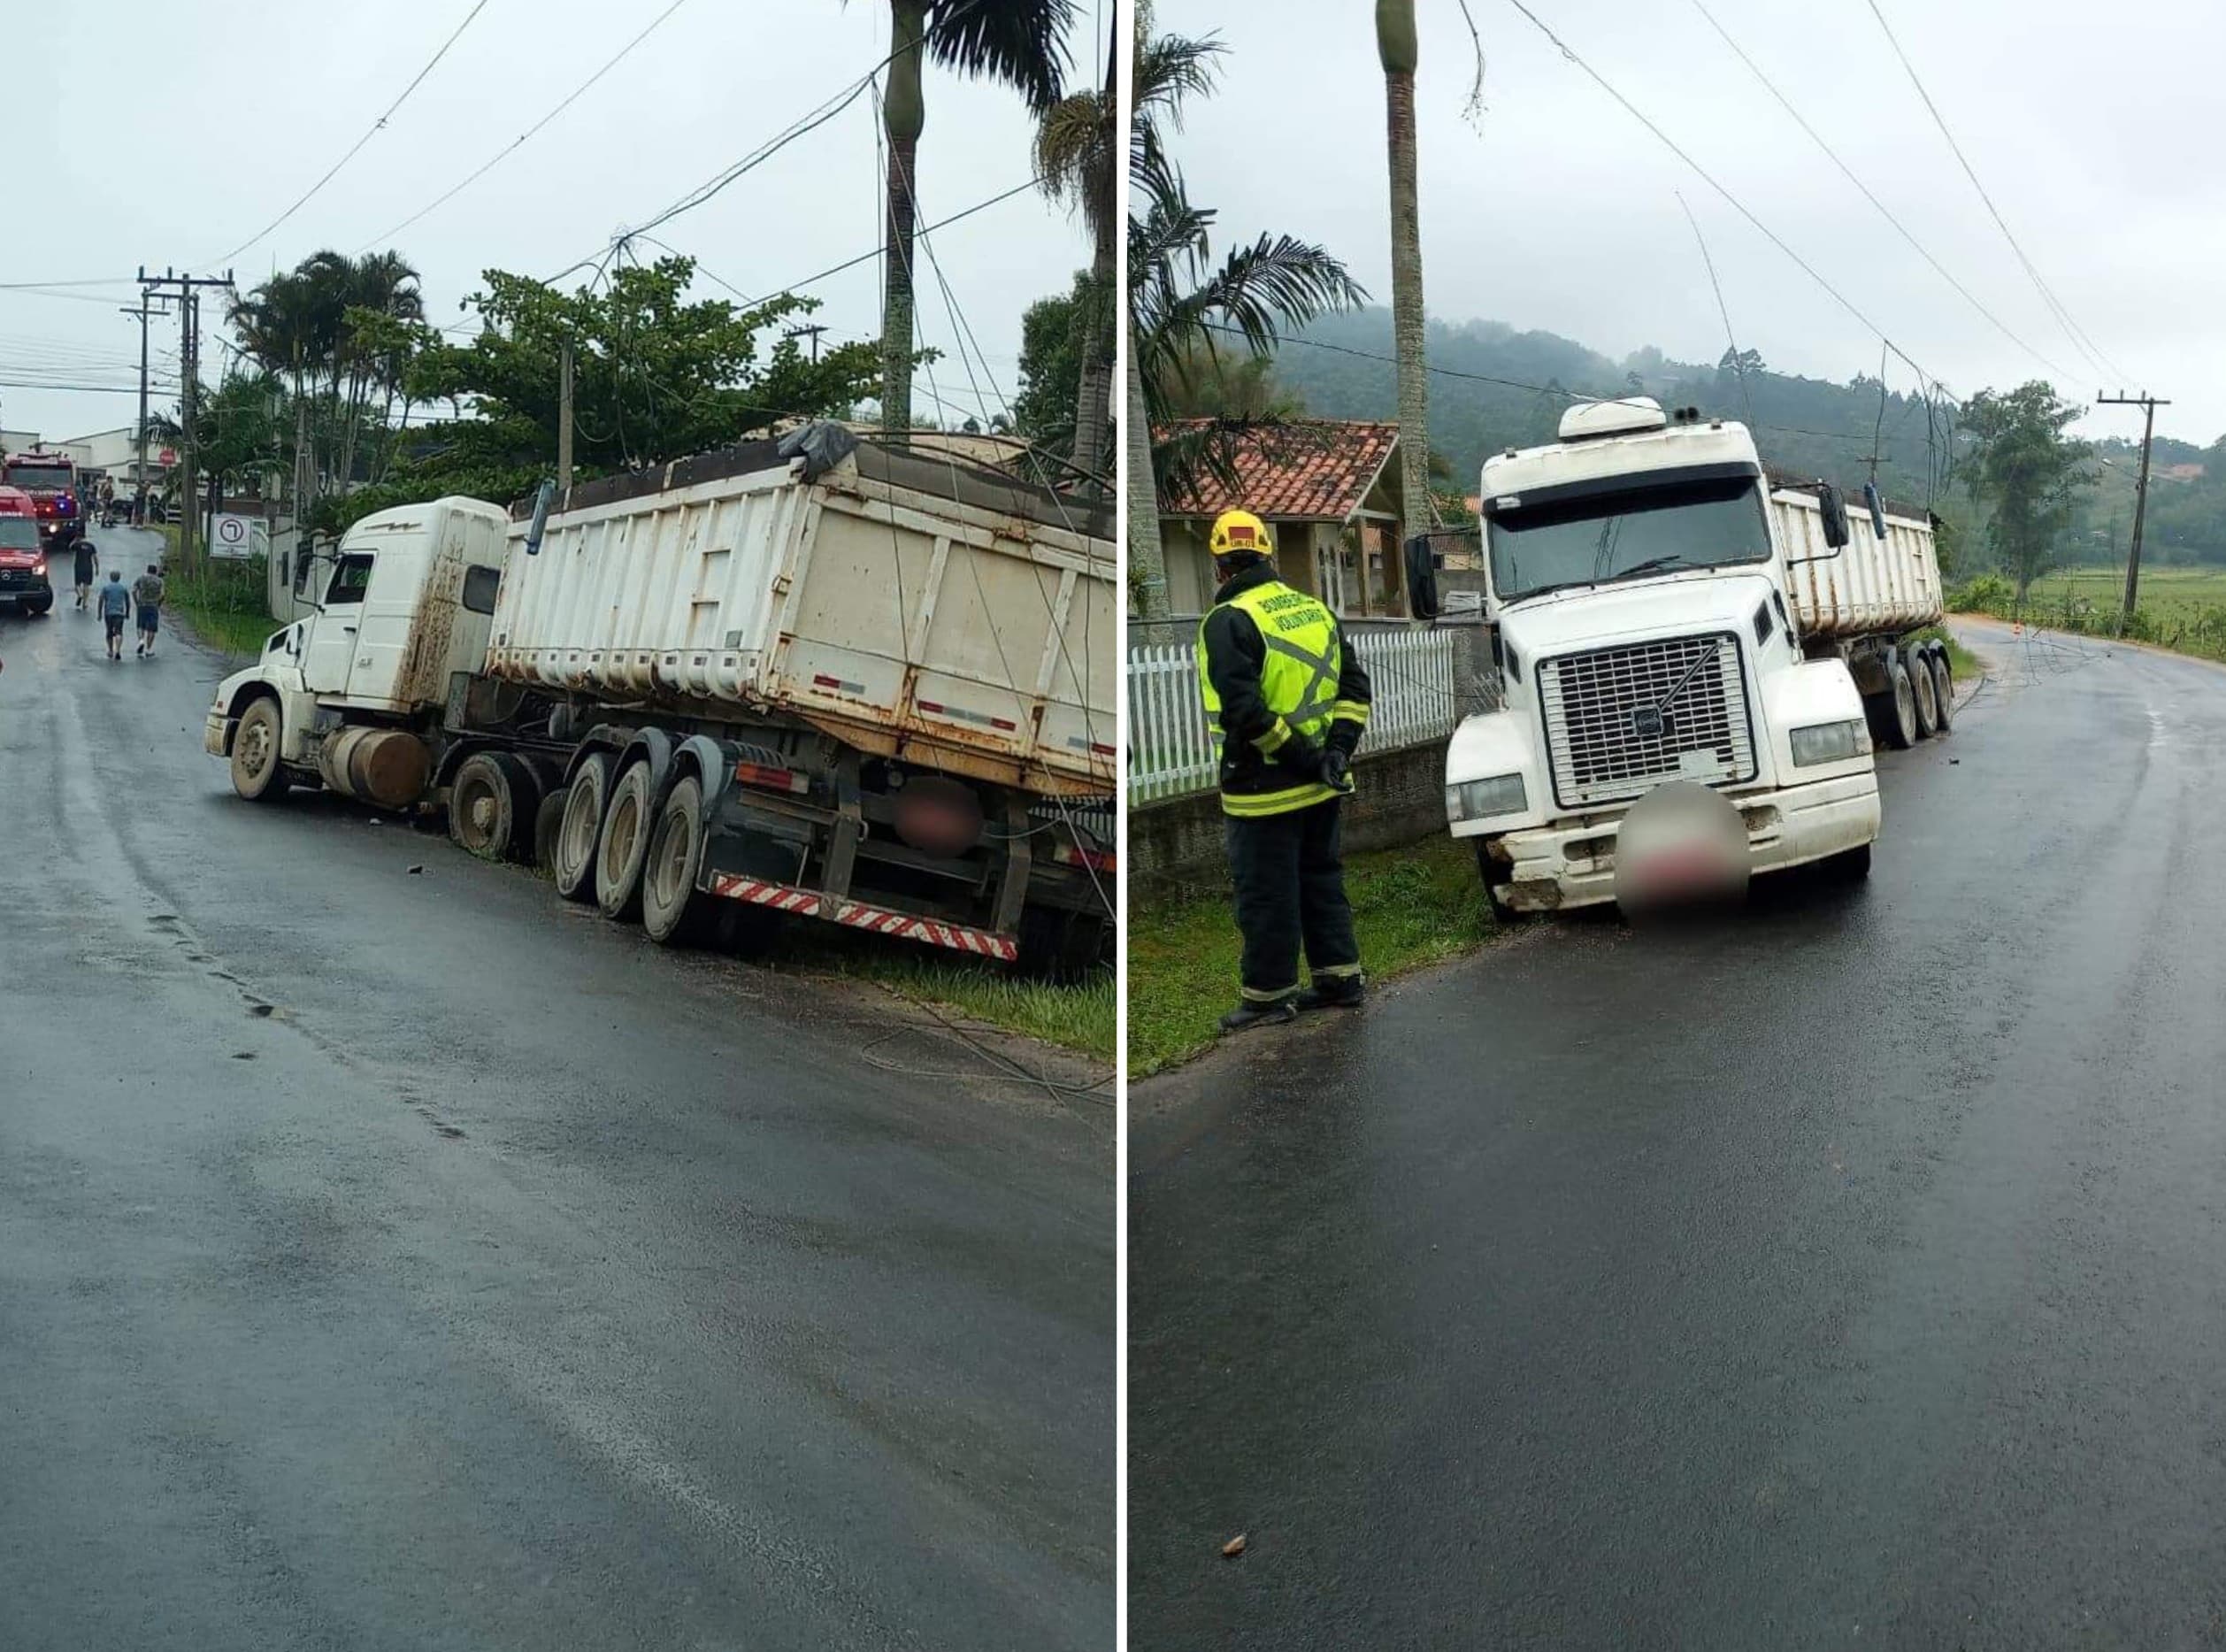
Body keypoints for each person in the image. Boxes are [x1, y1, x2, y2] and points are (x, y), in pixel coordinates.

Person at [1194, 508, 1374, 1033]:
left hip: (1263, 790)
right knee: (1320, 879)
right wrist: (1336, 754)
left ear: (1220, 566)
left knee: (1267, 892)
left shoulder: (1228, 621)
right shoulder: (1314, 610)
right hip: (1323, 787)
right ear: (1268, 556)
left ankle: (1268, 997)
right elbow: (1355, 691)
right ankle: (1341, 979)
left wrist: (1307, 759)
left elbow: (1245, 713)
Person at [133, 562, 165, 657]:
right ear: (155, 572)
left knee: (140, 626)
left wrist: (136, 602)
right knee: (152, 628)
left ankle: (141, 641)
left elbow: (134, 591)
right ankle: (148, 649)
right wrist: (159, 603)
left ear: (147, 570)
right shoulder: (160, 581)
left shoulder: (140, 578)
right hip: (153, 606)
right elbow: (163, 594)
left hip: (142, 604)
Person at [97, 571, 131, 661]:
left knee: (109, 632)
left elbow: (101, 600)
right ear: (119, 578)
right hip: (120, 613)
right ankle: (118, 650)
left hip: (109, 613)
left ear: (110, 577)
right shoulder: (123, 588)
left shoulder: (106, 588)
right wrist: (127, 612)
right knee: (119, 632)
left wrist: (99, 613)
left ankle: (110, 650)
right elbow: (128, 601)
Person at [70, 526, 98, 609]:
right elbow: (95, 557)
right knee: (86, 585)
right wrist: (97, 568)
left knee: (77, 584)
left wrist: (74, 540)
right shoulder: (91, 546)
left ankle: (80, 594)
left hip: (79, 566)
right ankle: (85, 603)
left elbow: (70, 547)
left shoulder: (78, 545)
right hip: (88, 567)